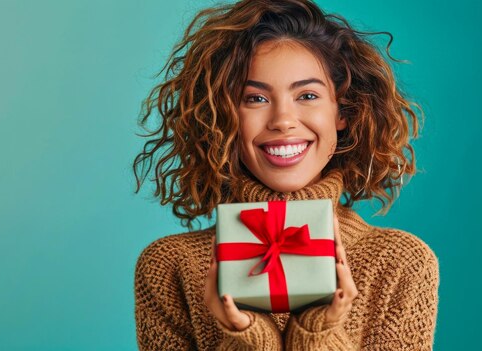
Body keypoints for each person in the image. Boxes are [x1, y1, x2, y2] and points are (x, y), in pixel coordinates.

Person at [132, 0, 439, 350]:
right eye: (256, 98)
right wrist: (247, 336)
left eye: (307, 95)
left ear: (343, 112)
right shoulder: (170, 266)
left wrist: (317, 332)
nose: (283, 120)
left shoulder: (400, 263)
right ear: (223, 116)